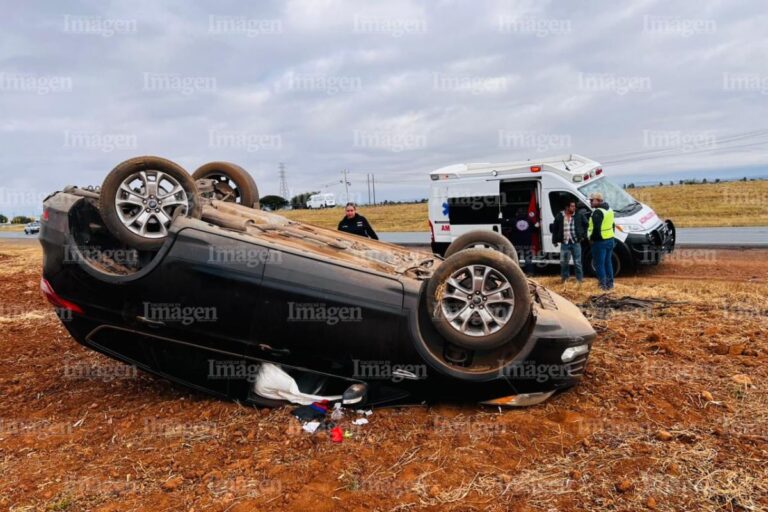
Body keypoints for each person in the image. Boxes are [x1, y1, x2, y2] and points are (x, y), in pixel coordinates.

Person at [550, 200, 587, 284]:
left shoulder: (579, 215)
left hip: (576, 242)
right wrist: (554, 240)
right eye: (572, 206)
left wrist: (583, 236)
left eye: (574, 206)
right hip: (565, 243)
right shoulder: (560, 216)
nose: (574, 208)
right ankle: (565, 279)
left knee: (577, 262)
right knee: (564, 262)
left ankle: (579, 280)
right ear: (567, 207)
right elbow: (555, 229)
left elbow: (586, 224)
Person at [587, 192, 616, 291]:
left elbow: (596, 229)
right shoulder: (609, 210)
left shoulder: (598, 212)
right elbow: (613, 225)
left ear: (598, 201)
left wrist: (592, 239)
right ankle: (610, 284)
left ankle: (602, 286)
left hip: (600, 242)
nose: (590, 202)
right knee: (608, 263)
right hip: (610, 239)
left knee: (599, 264)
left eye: (592, 200)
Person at [510, 207, 536, 275]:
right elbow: (534, 230)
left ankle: (516, 273)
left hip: (516, 244)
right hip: (527, 243)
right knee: (528, 259)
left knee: (516, 259)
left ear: (517, 213)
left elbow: (507, 226)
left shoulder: (513, 221)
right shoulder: (529, 221)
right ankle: (530, 272)